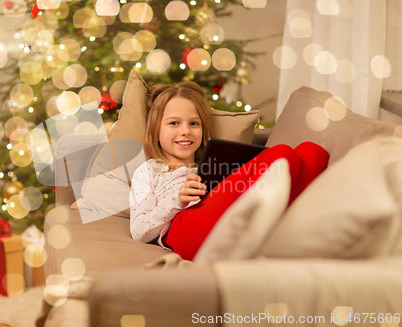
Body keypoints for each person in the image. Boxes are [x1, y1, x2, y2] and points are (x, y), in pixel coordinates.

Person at [129, 81, 329, 260]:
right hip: (182, 228)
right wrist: (178, 200)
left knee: (314, 152)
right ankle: (272, 235)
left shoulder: (213, 163)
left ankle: (270, 236)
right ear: (156, 131)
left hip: (228, 217)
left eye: (194, 123)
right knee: (281, 154)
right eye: (174, 123)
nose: (186, 131)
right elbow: (139, 231)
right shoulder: (149, 171)